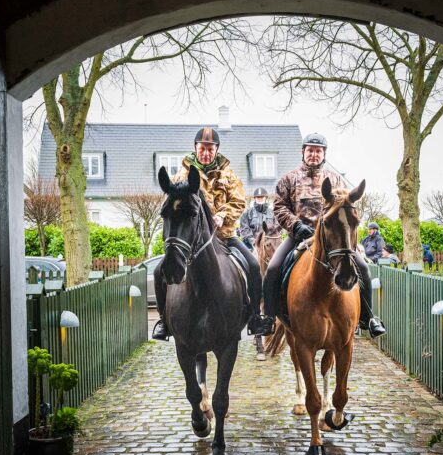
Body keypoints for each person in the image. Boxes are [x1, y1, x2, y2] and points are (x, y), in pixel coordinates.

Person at [152, 127, 275, 340]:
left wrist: (222, 215)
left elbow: (238, 202)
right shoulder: (182, 174)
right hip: (193, 240)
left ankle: (255, 316)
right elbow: (173, 203)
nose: (206, 153)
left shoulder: (229, 174)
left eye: (210, 149)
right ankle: (165, 321)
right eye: (202, 148)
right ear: (195, 148)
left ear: (216, 149)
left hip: (225, 236)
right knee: (157, 272)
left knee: (253, 266)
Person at [262, 132, 386, 338]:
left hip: (332, 240)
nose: (314, 154)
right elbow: (280, 207)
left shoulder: (336, 179)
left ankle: (368, 317)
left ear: (324, 154)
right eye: (310, 150)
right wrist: (296, 225)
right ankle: (268, 318)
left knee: (363, 267)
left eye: (318, 151)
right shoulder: (288, 179)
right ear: (303, 152)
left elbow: (346, 210)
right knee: (273, 269)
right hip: (299, 236)